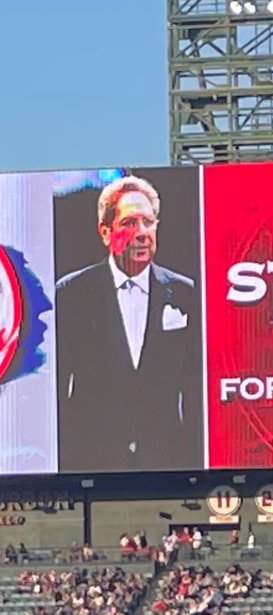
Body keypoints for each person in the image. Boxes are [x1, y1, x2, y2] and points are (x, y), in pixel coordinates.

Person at [56, 174, 201, 471]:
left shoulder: (186, 293)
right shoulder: (71, 293)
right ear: (106, 232)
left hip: (168, 463)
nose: (142, 233)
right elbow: (59, 386)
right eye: (130, 223)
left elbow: (195, 387)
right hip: (91, 464)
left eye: (148, 222)